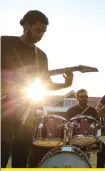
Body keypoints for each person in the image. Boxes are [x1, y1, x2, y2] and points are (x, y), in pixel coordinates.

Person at [1, 10, 73, 168]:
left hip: (27, 113)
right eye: (38, 30)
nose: (41, 35)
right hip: (3, 109)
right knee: (2, 153)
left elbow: (45, 84)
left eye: (44, 32)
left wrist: (66, 85)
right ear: (26, 25)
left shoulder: (40, 55)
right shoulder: (5, 43)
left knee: (21, 158)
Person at [28, 89, 105, 168]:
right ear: (77, 98)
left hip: (90, 138)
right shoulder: (71, 110)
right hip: (73, 139)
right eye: (82, 97)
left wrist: (97, 125)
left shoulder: (92, 111)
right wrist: (73, 125)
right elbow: (65, 124)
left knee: (103, 146)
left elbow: (98, 125)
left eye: (86, 96)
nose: (84, 98)